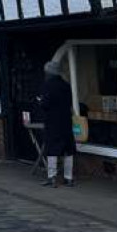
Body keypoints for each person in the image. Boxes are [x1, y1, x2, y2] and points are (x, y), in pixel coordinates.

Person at [39, 59, 75, 187]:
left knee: (52, 149)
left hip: (53, 121)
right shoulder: (66, 85)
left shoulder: (48, 85)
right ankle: (69, 178)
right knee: (68, 149)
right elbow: (70, 102)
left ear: (49, 73)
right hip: (65, 121)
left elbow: (45, 104)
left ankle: (52, 177)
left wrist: (40, 102)